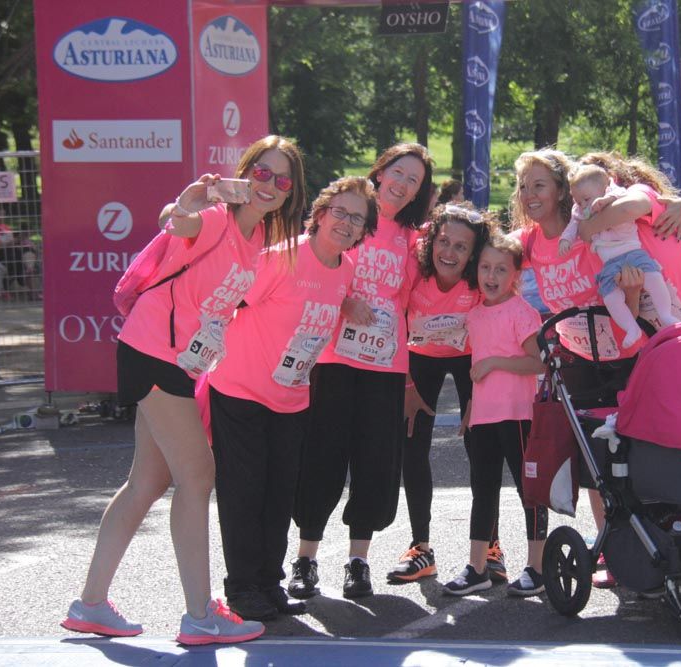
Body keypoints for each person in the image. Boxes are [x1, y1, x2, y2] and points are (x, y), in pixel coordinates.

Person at [62, 135, 306, 645]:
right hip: (152, 352)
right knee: (197, 475)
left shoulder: (258, 240)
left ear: (289, 193)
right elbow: (181, 221)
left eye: (282, 180)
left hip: (174, 361)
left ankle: (90, 605)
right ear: (245, 173)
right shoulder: (217, 220)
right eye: (262, 172)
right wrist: (187, 205)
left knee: (147, 483)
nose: (270, 185)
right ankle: (199, 615)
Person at [206, 177, 378, 621]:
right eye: (339, 212)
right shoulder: (281, 258)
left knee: (280, 494)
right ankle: (242, 587)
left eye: (356, 218)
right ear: (320, 214)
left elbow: (323, 296)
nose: (346, 223)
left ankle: (268, 581)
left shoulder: (347, 269)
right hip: (241, 390)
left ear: (363, 231)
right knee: (244, 493)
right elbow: (225, 304)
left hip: (292, 397)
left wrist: (349, 306)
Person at [575, 151, 681, 589]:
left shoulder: (639, 207)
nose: (594, 197)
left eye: (597, 187)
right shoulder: (641, 226)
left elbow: (604, 221)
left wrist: (589, 220)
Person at [288, 143, 434, 600]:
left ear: (418, 193)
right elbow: (311, 267)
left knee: (374, 465)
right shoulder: (351, 216)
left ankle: (358, 562)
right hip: (331, 359)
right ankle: (306, 560)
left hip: (385, 367)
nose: (403, 184)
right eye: (398, 172)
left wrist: (411, 379)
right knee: (321, 459)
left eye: (413, 180)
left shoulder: (414, 239)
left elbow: (413, 303)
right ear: (380, 171)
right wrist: (342, 301)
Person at [387, 202, 507, 584]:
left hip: (470, 357)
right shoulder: (414, 269)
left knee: (482, 446)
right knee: (412, 442)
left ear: (473, 254)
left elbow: (493, 326)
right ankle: (421, 548)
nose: (449, 253)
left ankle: (490, 546)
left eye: (461, 247)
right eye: (443, 242)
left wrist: (477, 398)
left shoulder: (478, 279)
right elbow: (393, 323)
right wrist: (405, 385)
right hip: (419, 358)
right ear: (430, 242)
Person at [443, 234, 549, 597]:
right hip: (483, 420)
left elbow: (538, 362)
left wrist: (495, 363)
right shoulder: (474, 314)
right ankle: (477, 568)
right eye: (486, 267)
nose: (491, 275)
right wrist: (470, 409)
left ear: (516, 274)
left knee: (529, 492)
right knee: (482, 491)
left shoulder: (522, 312)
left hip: (518, 416)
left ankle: (537, 566)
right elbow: (477, 367)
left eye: (501, 269)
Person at [559, 163, 678, 343]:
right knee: (610, 297)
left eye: (586, 199)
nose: (583, 205)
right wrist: (565, 239)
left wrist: (606, 201)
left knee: (654, 277)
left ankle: (665, 314)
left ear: (604, 188)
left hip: (632, 251)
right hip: (610, 263)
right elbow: (573, 225)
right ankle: (631, 328)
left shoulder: (615, 193)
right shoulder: (580, 211)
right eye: (578, 201)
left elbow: (622, 199)